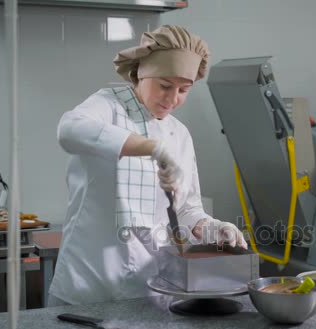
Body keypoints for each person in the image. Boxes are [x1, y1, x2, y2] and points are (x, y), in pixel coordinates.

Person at [49, 25, 248, 306]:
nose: (172, 98)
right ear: (142, 71)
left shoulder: (179, 134)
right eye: (165, 86)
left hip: (150, 290)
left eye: (183, 90)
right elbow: (69, 130)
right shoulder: (107, 106)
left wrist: (214, 228)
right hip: (88, 284)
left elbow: (187, 210)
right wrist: (151, 148)